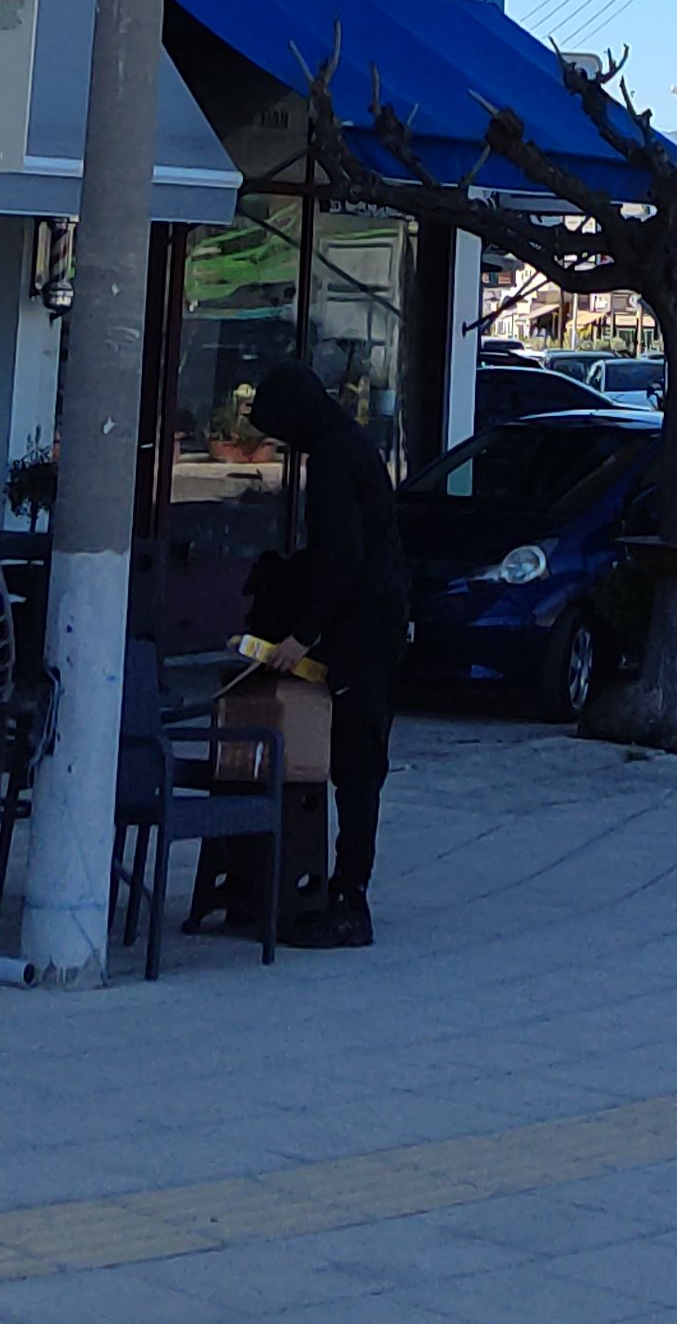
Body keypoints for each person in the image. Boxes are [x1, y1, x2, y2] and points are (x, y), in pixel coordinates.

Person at [247, 356, 410, 947]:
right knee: (358, 761)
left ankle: (349, 901)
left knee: (358, 764)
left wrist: (302, 635)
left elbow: (341, 557)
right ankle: (341, 890)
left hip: (363, 627)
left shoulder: (335, 460)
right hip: (376, 618)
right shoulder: (350, 446)